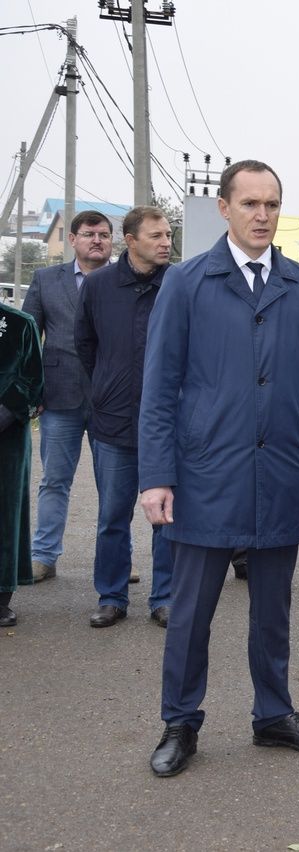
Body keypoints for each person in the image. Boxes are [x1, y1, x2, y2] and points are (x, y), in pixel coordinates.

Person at [139, 160, 299, 777]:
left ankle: (274, 715)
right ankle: (180, 722)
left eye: (272, 204)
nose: (262, 215)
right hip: (206, 473)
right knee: (191, 609)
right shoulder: (188, 281)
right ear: (223, 207)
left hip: (283, 468)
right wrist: (156, 476)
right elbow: (160, 386)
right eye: (250, 203)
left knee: (273, 609)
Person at [74, 205, 175, 628]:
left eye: (169, 235)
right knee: (112, 516)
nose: (166, 242)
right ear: (130, 241)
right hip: (113, 423)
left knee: (169, 517)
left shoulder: (180, 284)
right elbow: (84, 344)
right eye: (156, 236)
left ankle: (166, 598)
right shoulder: (98, 286)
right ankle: (111, 596)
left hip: (170, 423)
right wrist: (107, 386)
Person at [21, 210, 112, 583]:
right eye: (89, 234)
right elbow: (28, 339)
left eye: (104, 234)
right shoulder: (45, 280)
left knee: (115, 486)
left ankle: (116, 559)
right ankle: (43, 555)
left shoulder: (123, 281)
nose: (97, 240)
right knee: (55, 480)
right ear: (72, 239)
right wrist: (32, 391)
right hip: (59, 398)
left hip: (113, 399)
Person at [0, 302, 44, 626]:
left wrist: (5, 413)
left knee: (5, 512)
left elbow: (32, 380)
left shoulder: (20, 323)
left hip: (7, 437)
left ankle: (2, 595)